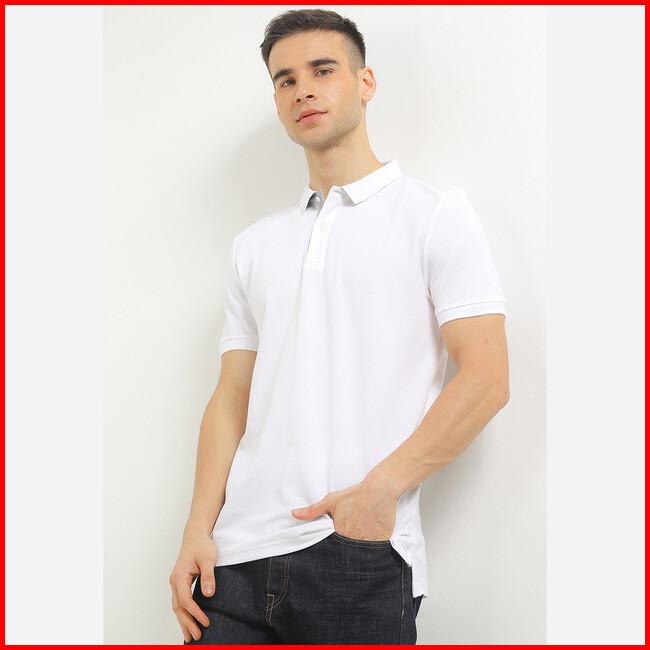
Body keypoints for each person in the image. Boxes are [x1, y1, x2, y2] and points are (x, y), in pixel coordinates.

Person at [169, 8, 509, 645]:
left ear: (365, 82)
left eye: (322, 70)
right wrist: (196, 529)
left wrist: (379, 493)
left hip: (356, 551)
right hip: (234, 560)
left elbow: (487, 377)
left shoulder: (435, 215)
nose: (303, 89)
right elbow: (231, 398)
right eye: (285, 79)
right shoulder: (253, 245)